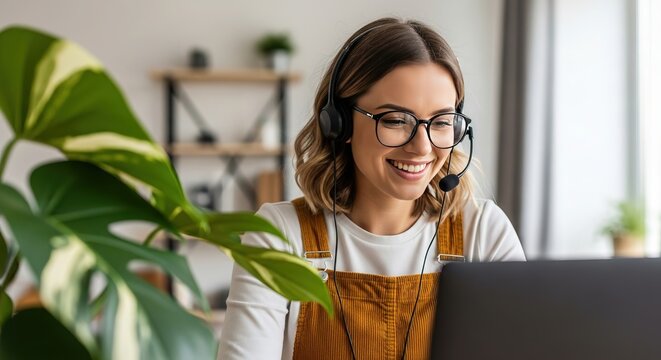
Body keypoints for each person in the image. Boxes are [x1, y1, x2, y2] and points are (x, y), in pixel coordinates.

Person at [218, 17, 526, 360]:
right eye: (395, 120)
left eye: (440, 122)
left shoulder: (483, 233)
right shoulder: (279, 235)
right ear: (340, 122)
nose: (422, 148)